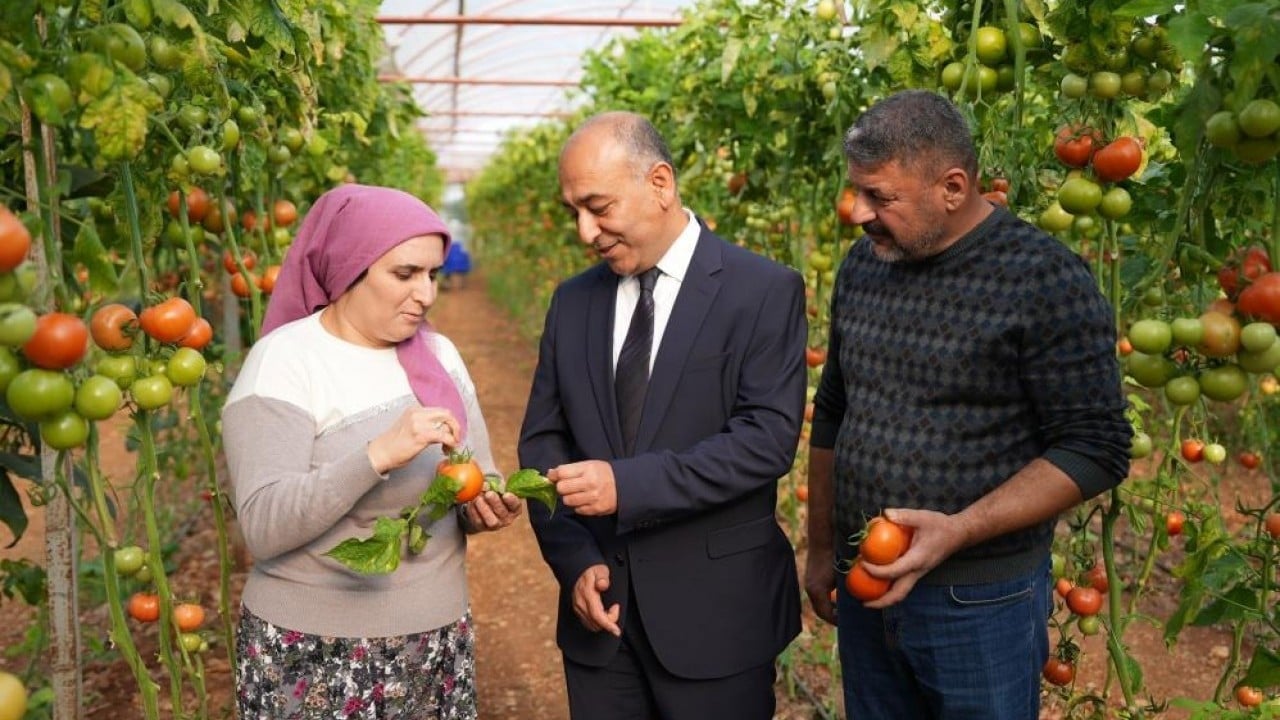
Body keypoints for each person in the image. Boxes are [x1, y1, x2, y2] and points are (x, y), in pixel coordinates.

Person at [804, 89, 1132, 719]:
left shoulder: (1042, 278)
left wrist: (959, 530)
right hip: (866, 585)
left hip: (979, 602)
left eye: (880, 196)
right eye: (856, 190)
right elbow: (836, 406)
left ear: (952, 188)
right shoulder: (862, 268)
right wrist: (822, 548)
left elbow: (1096, 447)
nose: (856, 213)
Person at [516, 111, 807, 720]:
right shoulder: (573, 301)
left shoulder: (761, 290)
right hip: (601, 622)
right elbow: (544, 442)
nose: (583, 231)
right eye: (574, 210)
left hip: (718, 621)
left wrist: (628, 485)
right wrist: (573, 559)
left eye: (597, 206)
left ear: (660, 183)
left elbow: (766, 440)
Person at [222, 183, 522, 720]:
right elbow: (263, 526)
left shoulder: (440, 355)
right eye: (404, 274)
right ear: (347, 267)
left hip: (432, 642)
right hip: (309, 650)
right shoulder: (286, 362)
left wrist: (484, 505)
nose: (426, 293)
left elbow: (479, 473)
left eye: (432, 273)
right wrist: (376, 455)